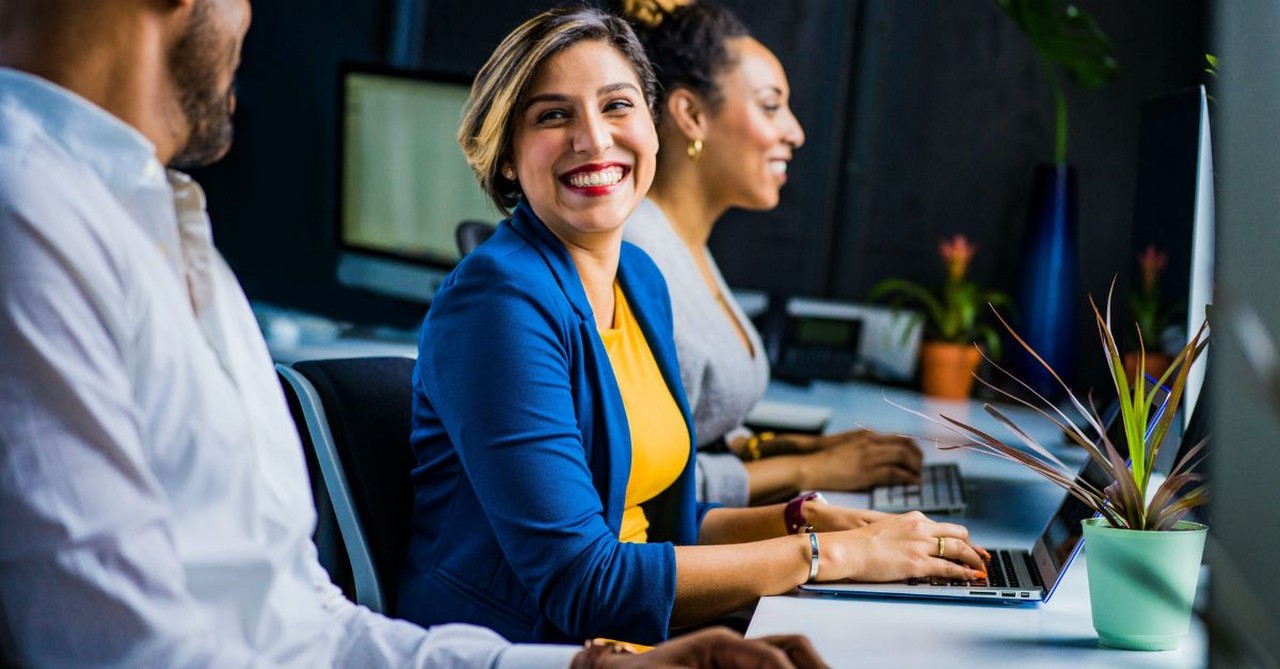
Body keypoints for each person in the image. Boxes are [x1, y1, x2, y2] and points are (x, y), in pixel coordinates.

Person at [0, 1, 825, 667]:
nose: (251, 20)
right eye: (554, 116)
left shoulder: (169, 228)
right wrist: (816, 556)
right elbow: (122, 646)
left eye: (617, 106)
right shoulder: (30, 217)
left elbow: (303, 615)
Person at [399, 4, 988, 648]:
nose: (594, 139)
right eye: (552, 115)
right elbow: (583, 580)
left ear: (653, 128)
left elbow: (660, 527)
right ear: (508, 157)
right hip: (530, 649)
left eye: (617, 106)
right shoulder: (497, 303)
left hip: (637, 636)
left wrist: (803, 520)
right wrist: (830, 556)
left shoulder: (640, 279)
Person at [618, 0, 925, 508]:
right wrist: (808, 468)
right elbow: (640, 482)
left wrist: (801, 447)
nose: (795, 132)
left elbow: (699, 430)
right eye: (770, 105)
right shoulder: (637, 255)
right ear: (691, 114)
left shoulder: (683, 244)